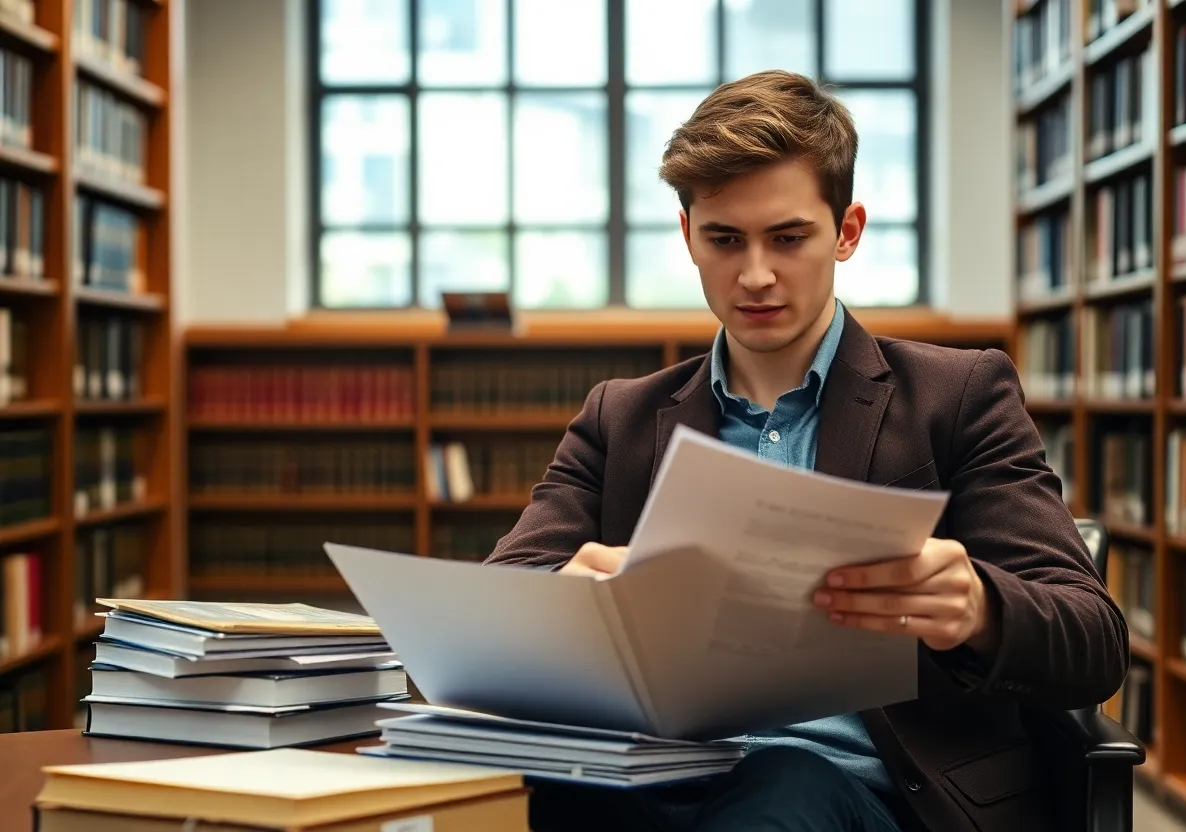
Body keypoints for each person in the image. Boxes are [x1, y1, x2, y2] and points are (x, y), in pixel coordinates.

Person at [482, 70, 1129, 832]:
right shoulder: (620, 418)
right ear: (688, 236)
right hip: (657, 780)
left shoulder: (957, 396)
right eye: (724, 240)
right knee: (529, 795)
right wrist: (561, 598)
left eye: (788, 239)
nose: (755, 275)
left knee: (784, 783)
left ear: (847, 231)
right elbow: (496, 608)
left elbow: (1093, 641)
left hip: (864, 798)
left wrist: (979, 608)